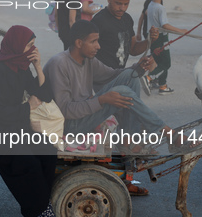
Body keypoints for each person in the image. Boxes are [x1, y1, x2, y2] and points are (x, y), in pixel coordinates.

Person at [0, 26, 76, 217]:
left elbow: (44, 95)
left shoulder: (20, 67)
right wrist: (28, 106)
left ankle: (40, 210)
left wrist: (38, 66)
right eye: (29, 45)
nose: (33, 49)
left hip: (15, 124)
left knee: (48, 151)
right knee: (27, 163)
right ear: (16, 44)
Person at [44, 21, 189, 156]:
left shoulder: (88, 60)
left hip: (83, 115)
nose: (98, 46)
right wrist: (101, 100)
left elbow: (112, 75)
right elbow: (65, 110)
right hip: (70, 125)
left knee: (130, 76)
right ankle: (170, 134)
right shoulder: (59, 64)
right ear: (79, 43)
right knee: (121, 91)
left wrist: (137, 68)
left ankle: (129, 141)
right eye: (93, 41)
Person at [91, 0, 157, 70]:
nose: (122, 8)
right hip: (102, 77)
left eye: (126, 4)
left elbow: (133, 49)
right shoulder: (99, 21)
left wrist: (150, 39)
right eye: (118, 3)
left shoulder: (127, 19)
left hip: (118, 74)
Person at [147, 0, 188, 95]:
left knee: (161, 63)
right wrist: (181, 31)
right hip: (161, 39)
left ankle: (163, 86)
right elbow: (165, 25)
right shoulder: (160, 8)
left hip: (153, 38)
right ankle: (149, 78)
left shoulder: (150, 5)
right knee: (166, 64)